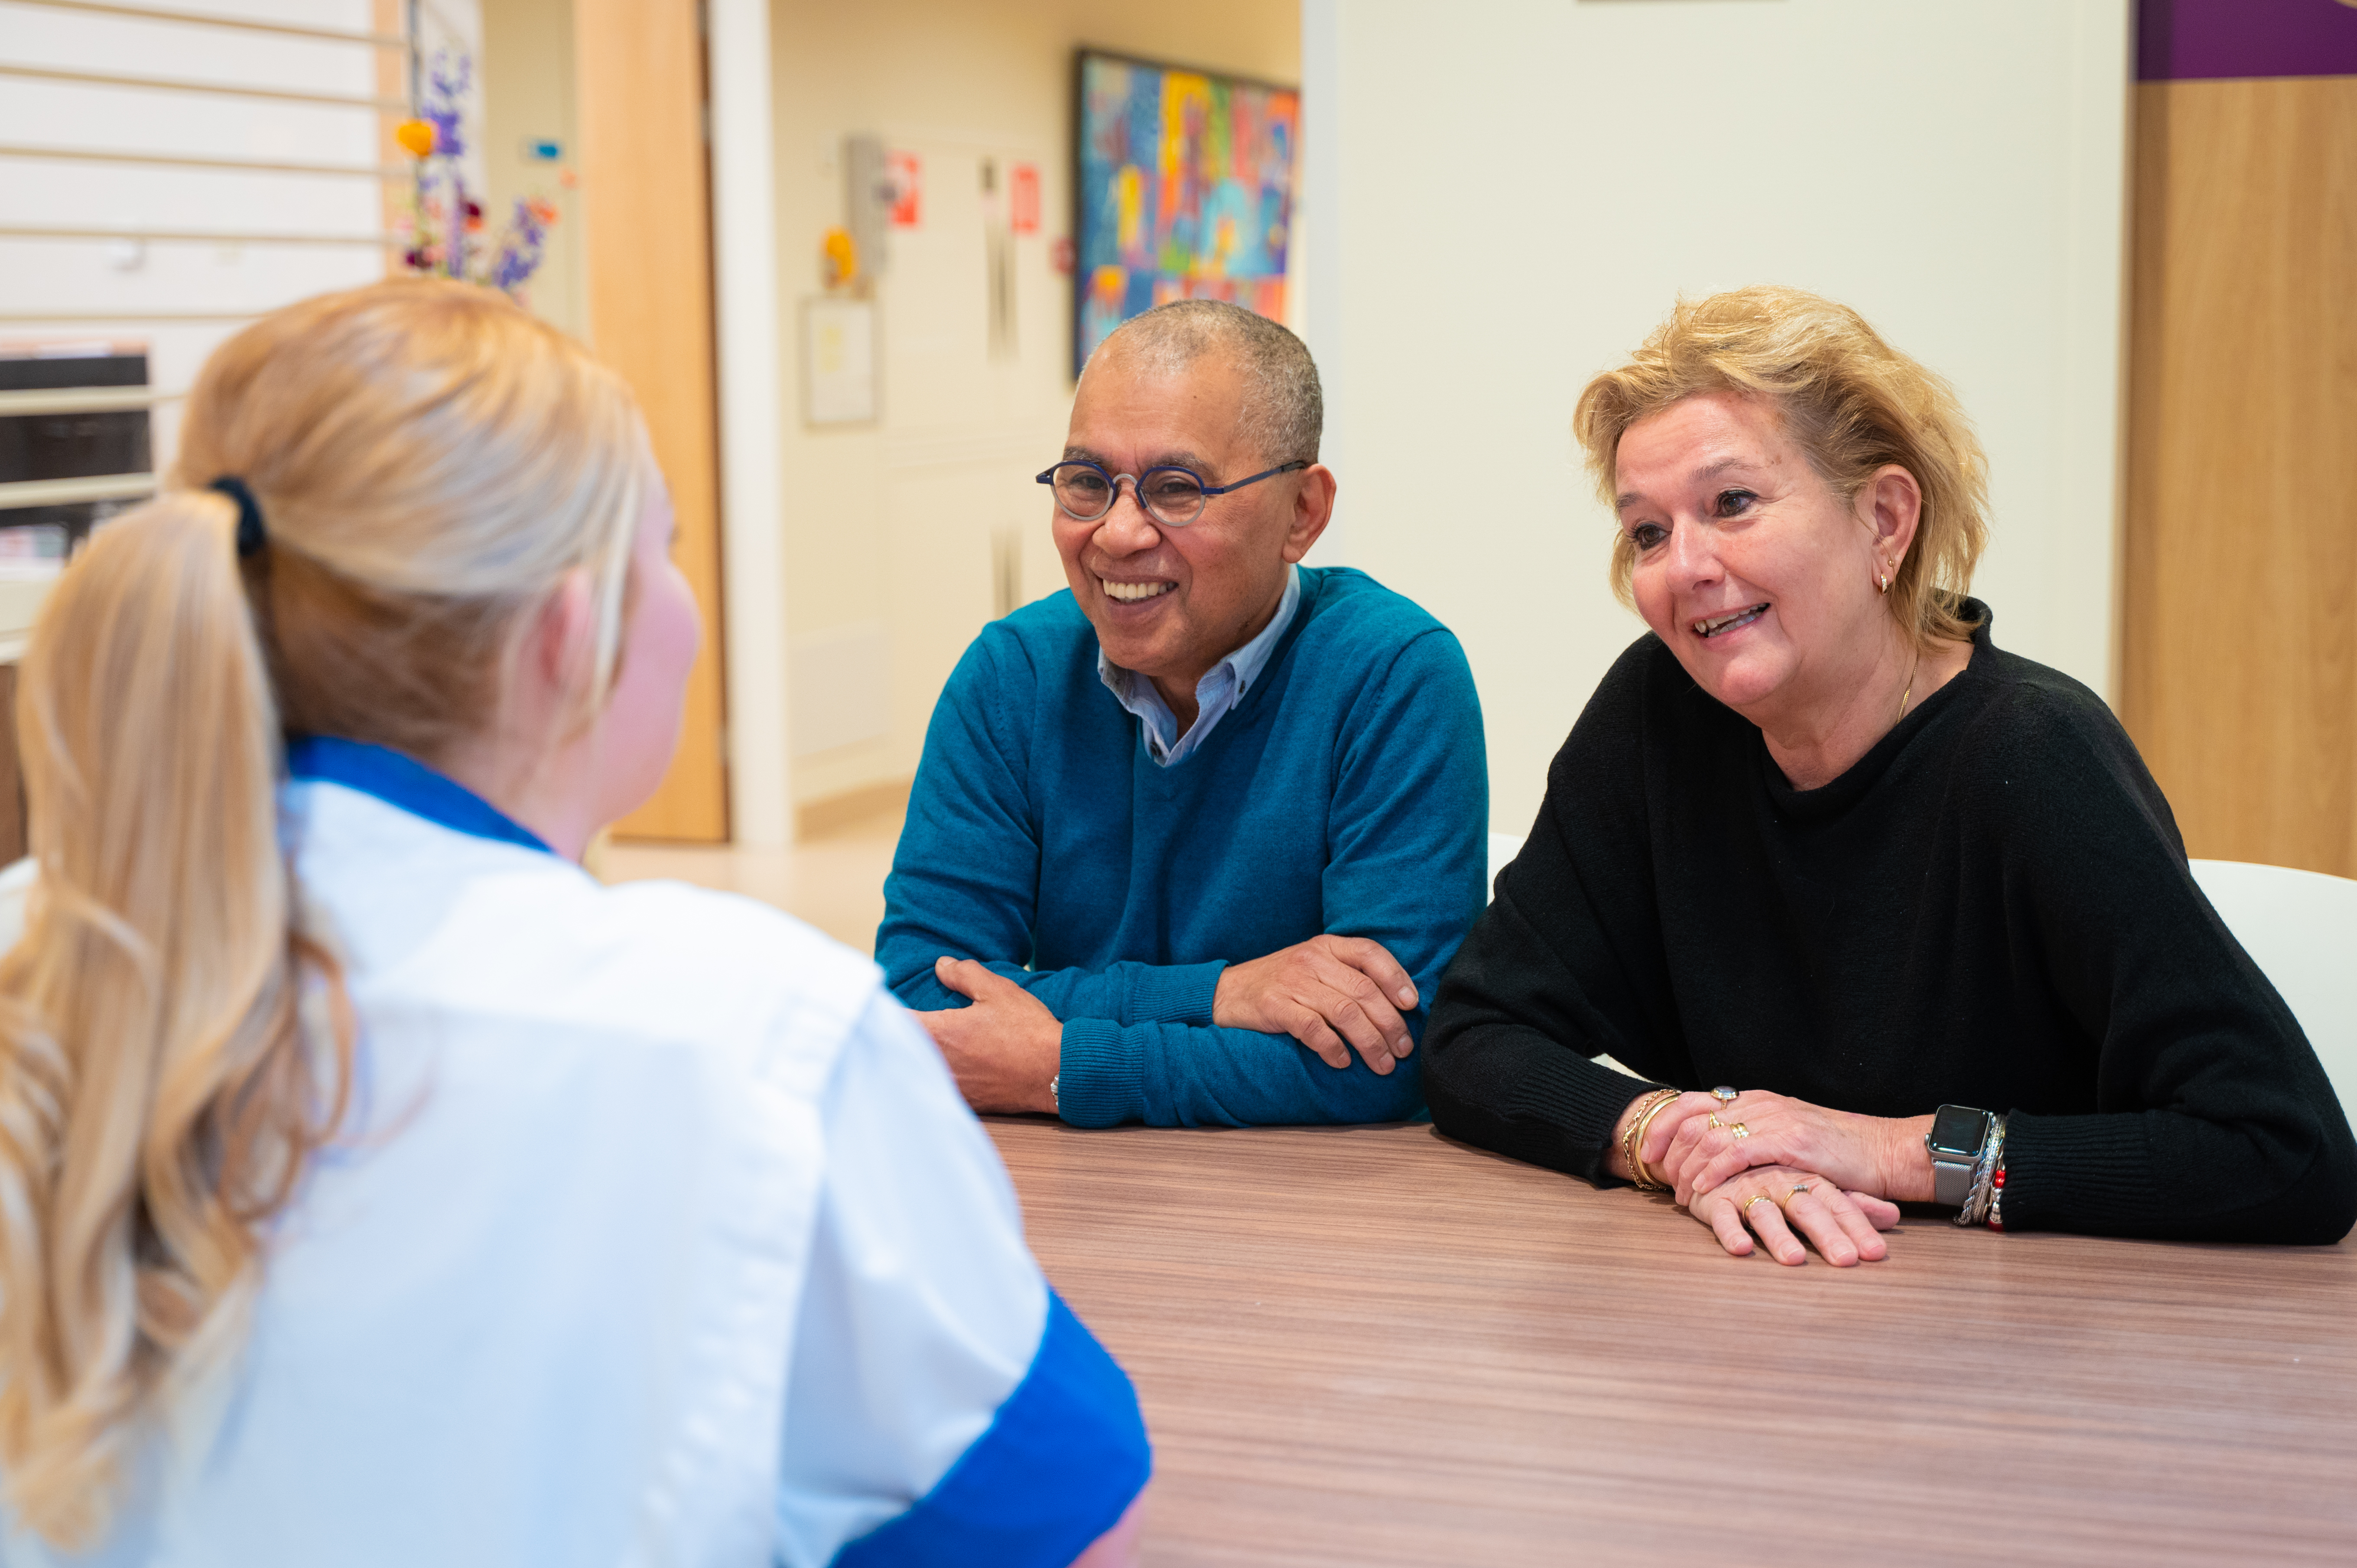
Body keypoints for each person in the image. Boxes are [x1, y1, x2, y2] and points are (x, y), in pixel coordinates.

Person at [0, 280, 1148, 1565]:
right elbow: (1045, 1517)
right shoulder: (744, 1036)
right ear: (570, 630)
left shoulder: (43, 946)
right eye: (662, 546)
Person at [1424, 285, 2357, 1262]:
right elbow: (1476, 1032)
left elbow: (2284, 1151)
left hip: (2037, 1334)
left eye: (1730, 503)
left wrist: (1881, 1151)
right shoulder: (1656, 713)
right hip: (1744, 1309)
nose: (1682, 565)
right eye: (1646, 531)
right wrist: (1671, 1137)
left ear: (1883, 519)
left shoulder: (2035, 753)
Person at [877, 301, 1487, 1127]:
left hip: (1309, 1211)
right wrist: (1225, 992)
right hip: (1064, 1198)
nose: (1118, 534)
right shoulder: (1012, 674)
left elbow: (1396, 1056)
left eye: (1177, 489)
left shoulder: (1391, 675)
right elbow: (921, 1001)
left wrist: (1063, 1067)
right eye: (1087, 483)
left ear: (1303, 513)